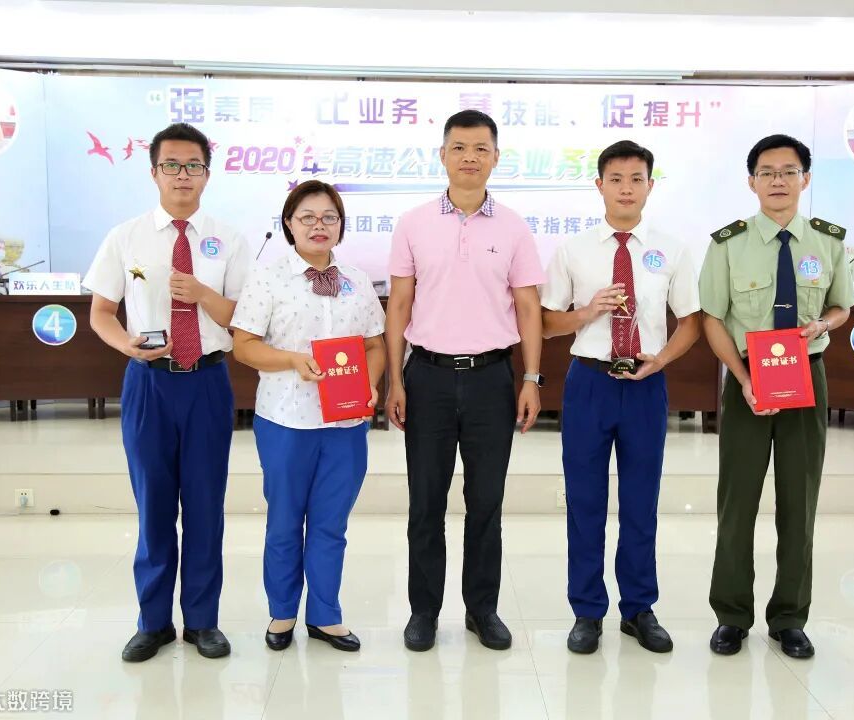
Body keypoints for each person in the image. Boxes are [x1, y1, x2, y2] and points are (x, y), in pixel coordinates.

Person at [83, 123, 250, 662]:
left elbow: (242, 317)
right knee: (154, 505)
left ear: (207, 173)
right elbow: (101, 313)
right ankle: (152, 622)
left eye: (193, 165)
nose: (183, 175)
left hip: (207, 381)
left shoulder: (229, 239)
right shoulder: (125, 236)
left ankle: (202, 621)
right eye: (172, 165)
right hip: (149, 383)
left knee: (204, 506)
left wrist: (201, 293)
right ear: (154, 172)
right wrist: (126, 346)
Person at [385, 110, 545, 652]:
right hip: (426, 377)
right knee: (425, 503)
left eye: (480, 148)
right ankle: (423, 611)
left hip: (491, 380)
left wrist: (531, 378)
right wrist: (395, 380)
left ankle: (482, 609)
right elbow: (399, 305)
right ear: (442, 155)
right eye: (459, 147)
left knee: (486, 503)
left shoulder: (514, 226)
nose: (470, 157)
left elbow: (528, 308)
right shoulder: (413, 222)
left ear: (496, 157)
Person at [541, 140, 700, 655]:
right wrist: (587, 312)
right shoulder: (574, 249)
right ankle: (587, 610)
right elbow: (546, 323)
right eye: (616, 179)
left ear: (650, 186)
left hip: (645, 384)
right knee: (585, 502)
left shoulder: (672, 249)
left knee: (639, 502)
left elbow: (691, 321)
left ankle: (638, 608)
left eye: (636, 179)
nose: (626, 188)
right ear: (600, 185)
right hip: (589, 383)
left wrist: (662, 359)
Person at [699, 134, 854, 660]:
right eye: (767, 172)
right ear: (752, 182)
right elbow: (712, 318)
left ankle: (789, 618)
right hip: (748, 379)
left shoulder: (827, 242)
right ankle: (731, 616)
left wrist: (824, 324)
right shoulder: (729, 243)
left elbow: (842, 306)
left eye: (789, 171)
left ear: (805, 179)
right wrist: (742, 379)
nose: (778, 181)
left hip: (806, 378)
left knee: (799, 502)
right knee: (737, 503)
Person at [231, 181, 385, 653]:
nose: (319, 225)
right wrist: (292, 360)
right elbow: (244, 346)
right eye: (308, 217)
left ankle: (325, 616)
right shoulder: (268, 278)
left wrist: (371, 383)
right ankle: (282, 613)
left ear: (340, 225)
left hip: (345, 425)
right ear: (289, 224)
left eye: (329, 217)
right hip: (286, 421)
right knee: (283, 523)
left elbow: (374, 345)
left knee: (330, 525)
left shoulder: (357, 280)